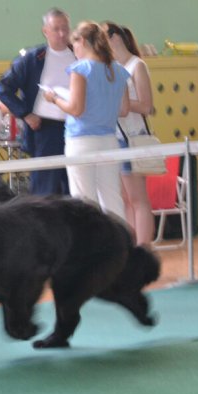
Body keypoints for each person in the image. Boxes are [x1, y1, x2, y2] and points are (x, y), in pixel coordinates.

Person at [44, 21, 129, 220]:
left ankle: (90, 247)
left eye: (74, 46)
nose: (75, 51)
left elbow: (76, 109)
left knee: (84, 201)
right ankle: (120, 244)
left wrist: (54, 98)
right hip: (109, 140)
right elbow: (124, 109)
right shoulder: (117, 69)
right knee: (112, 198)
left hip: (81, 141)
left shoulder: (80, 69)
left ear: (81, 41)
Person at [0, 7, 75, 195]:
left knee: (74, 188)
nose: (62, 34)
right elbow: (3, 88)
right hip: (45, 131)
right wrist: (25, 114)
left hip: (77, 128)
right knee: (45, 190)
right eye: (56, 29)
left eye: (65, 28)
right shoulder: (32, 58)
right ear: (45, 31)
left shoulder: (79, 54)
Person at [104, 22, 156, 246]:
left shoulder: (137, 65)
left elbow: (146, 106)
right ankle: (130, 245)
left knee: (138, 199)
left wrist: (119, 103)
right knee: (124, 198)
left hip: (133, 136)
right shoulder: (109, 67)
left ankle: (143, 247)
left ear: (115, 37)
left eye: (103, 35)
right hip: (114, 136)